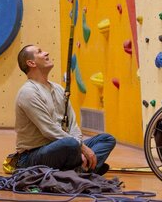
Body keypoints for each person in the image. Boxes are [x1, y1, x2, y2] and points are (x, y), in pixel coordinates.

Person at [13, 44, 116, 175]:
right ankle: (84, 170)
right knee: (70, 144)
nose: (46, 52)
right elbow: (48, 129)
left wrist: (80, 146)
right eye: (40, 52)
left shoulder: (58, 89)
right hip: (33, 156)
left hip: (64, 146)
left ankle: (79, 170)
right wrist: (80, 147)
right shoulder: (28, 92)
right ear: (31, 63)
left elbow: (73, 124)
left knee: (107, 139)